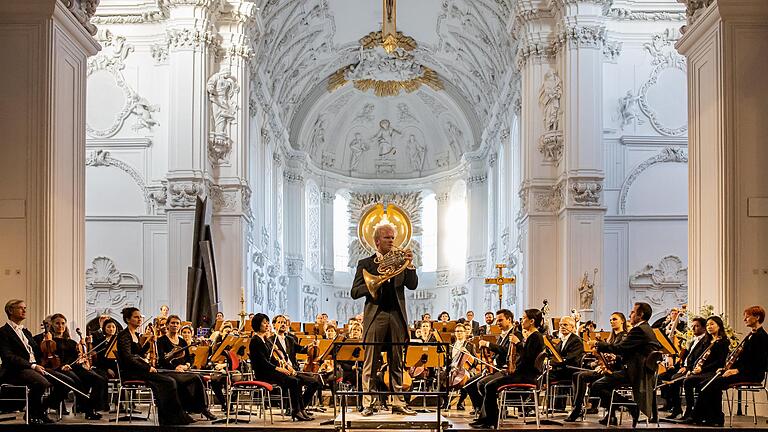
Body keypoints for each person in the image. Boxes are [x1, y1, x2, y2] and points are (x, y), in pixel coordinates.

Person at [350, 223, 418, 416]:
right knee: (371, 363)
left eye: (393, 238)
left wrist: (411, 265)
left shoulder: (401, 261)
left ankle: (398, 402)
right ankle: (368, 403)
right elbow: (355, 291)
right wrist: (374, 284)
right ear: (377, 241)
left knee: (397, 361)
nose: (392, 241)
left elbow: (412, 285)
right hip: (375, 315)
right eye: (388, 238)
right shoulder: (366, 263)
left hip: (396, 315)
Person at [689, 305, 768, 426]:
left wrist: (737, 370)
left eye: (747, 317)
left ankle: (710, 417)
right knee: (706, 382)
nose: (744, 319)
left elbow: (759, 362)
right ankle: (709, 417)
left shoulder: (761, 337)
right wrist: (727, 368)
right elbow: (742, 358)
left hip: (752, 374)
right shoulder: (751, 335)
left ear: (757, 317)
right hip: (743, 371)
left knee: (713, 383)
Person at [115, 307, 195, 425]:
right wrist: (147, 367)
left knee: (170, 380)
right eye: (136, 317)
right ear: (127, 319)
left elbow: (139, 354)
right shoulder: (124, 335)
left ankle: (173, 416)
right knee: (169, 382)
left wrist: (149, 343)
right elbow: (128, 358)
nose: (139, 319)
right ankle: (169, 418)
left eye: (140, 317)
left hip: (139, 369)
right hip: (130, 371)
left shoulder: (135, 334)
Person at [469, 309, 546, 429]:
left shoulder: (536, 337)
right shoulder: (531, 336)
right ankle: (486, 418)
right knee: (486, 384)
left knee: (489, 386)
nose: (521, 320)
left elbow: (528, 358)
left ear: (531, 321)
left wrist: (518, 343)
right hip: (520, 373)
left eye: (524, 318)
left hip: (526, 376)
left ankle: (491, 420)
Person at [0, 300, 72, 424]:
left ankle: (40, 410)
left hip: (35, 367)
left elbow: (37, 352)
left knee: (66, 382)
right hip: (16, 370)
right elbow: (8, 357)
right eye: (21, 308)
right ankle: (33, 415)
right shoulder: (3, 332)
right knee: (41, 383)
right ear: (10, 311)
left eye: (25, 308)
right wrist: (32, 366)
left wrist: (47, 341)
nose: (24, 311)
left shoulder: (25, 332)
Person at [591, 302, 661, 427]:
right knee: (603, 384)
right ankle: (622, 409)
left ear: (641, 315)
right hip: (638, 370)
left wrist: (599, 344)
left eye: (633, 312)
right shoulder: (646, 328)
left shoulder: (639, 330)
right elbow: (629, 350)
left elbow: (621, 348)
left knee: (597, 385)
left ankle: (630, 406)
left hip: (635, 373)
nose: (630, 314)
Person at [564, 312, 628, 422]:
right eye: (610, 320)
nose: (612, 321)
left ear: (622, 321)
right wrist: (600, 362)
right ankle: (609, 414)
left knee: (582, 376)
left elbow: (623, 354)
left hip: (616, 370)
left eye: (614, 319)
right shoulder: (611, 337)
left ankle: (578, 409)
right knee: (576, 375)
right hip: (606, 368)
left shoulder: (625, 337)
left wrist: (611, 357)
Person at [248, 313, 312, 421]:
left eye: (268, 322)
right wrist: (278, 368)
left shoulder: (265, 340)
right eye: (264, 322)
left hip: (271, 371)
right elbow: (262, 362)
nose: (267, 325)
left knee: (296, 380)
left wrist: (284, 366)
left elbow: (273, 359)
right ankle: (296, 411)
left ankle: (301, 409)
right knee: (293, 381)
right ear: (257, 324)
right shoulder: (255, 340)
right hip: (263, 374)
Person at [156, 315, 216, 420]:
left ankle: (201, 408)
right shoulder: (161, 340)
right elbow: (161, 360)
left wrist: (186, 365)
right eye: (172, 323)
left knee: (198, 377)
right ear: (167, 325)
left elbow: (189, 359)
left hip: (182, 371)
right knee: (193, 378)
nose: (175, 325)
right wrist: (175, 368)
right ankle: (197, 409)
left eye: (177, 323)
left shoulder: (182, 341)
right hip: (168, 371)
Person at [49, 313, 109, 418]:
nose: (60, 326)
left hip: (73, 366)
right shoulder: (49, 342)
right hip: (58, 368)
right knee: (77, 382)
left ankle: (93, 406)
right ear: (52, 325)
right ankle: (89, 411)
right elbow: (51, 357)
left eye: (63, 323)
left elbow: (75, 356)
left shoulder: (71, 342)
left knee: (98, 379)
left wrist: (74, 362)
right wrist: (63, 365)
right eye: (57, 323)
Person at [464, 309, 515, 416]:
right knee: (469, 383)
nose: (497, 323)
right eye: (497, 320)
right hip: (495, 368)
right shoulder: (502, 335)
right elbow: (498, 353)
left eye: (500, 320)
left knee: (482, 383)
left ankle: (490, 413)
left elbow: (507, 351)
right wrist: (490, 365)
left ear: (509, 320)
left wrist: (488, 344)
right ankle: (480, 410)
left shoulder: (515, 334)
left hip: (505, 370)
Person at [269, 315, 322, 411]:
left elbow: (301, 349)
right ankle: (295, 409)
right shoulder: (270, 340)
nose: (283, 325)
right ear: (274, 325)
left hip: (294, 370)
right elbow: (272, 359)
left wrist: (310, 346)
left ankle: (300, 407)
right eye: (280, 322)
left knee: (315, 382)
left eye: (284, 323)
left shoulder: (290, 339)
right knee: (295, 382)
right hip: (281, 371)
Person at [658, 316, 706, 418]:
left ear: (703, 328)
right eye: (692, 326)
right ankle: (673, 405)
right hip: (683, 367)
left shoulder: (705, 341)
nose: (693, 329)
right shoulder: (693, 341)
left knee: (674, 379)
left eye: (696, 326)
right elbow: (687, 357)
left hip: (693, 369)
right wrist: (675, 366)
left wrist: (687, 368)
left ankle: (686, 410)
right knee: (661, 377)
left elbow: (698, 359)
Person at [548, 315, 584, 410]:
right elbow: (555, 356)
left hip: (571, 370)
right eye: (560, 325)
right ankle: (554, 406)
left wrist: (554, 365)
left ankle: (533, 405)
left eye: (565, 325)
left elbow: (570, 358)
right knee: (544, 372)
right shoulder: (561, 341)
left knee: (543, 375)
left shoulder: (576, 340)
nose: (562, 327)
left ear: (572, 327)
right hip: (562, 369)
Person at [442, 323, 477, 410]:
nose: (459, 333)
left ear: (465, 333)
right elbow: (448, 360)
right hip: (452, 368)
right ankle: (446, 402)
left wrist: (468, 354)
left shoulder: (470, 345)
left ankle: (460, 402)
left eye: (461, 331)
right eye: (457, 331)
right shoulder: (451, 346)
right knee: (441, 376)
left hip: (465, 369)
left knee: (465, 378)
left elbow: (476, 362)